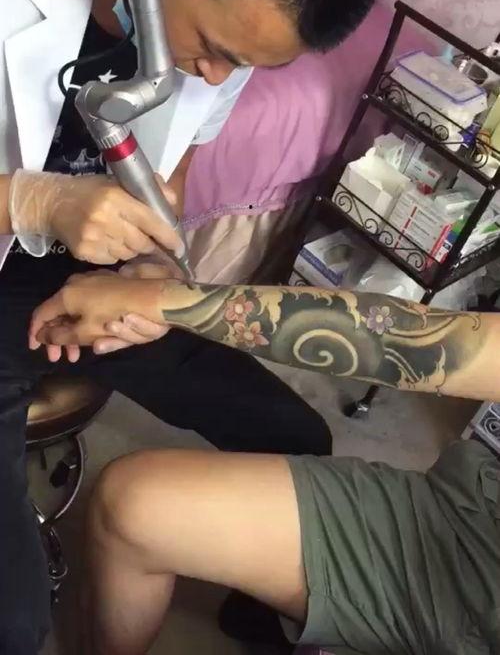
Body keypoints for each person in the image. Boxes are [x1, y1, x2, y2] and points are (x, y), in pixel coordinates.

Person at [0, 0, 392, 653]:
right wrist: (31, 203)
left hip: (89, 281)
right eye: (212, 49)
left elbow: (167, 181)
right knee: (14, 622)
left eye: (240, 64)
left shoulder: (225, 35)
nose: (213, 76)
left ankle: (256, 622)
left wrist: (146, 275)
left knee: (300, 443)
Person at [31, 272, 500, 655]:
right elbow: (429, 342)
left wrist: (159, 301)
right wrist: (158, 300)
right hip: (471, 511)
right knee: (132, 504)